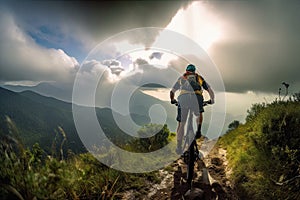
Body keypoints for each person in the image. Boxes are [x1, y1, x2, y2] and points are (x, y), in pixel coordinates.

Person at [170, 64, 215, 154]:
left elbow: (172, 91)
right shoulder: (199, 78)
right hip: (197, 98)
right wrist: (212, 100)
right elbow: (209, 90)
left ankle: (179, 147)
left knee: (181, 124)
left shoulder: (182, 78)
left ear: (186, 70)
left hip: (183, 99)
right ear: (194, 71)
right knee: (199, 113)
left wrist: (172, 100)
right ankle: (198, 130)